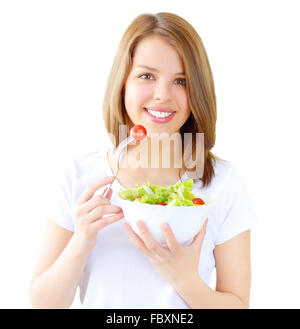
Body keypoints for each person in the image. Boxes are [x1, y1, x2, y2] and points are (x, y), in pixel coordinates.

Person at [30, 12, 257, 309]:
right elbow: (43, 304)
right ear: (123, 82)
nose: (163, 95)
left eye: (181, 80)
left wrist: (185, 282)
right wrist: (81, 242)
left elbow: (238, 304)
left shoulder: (221, 183)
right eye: (147, 76)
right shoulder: (81, 176)